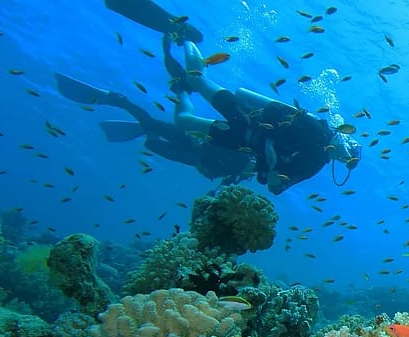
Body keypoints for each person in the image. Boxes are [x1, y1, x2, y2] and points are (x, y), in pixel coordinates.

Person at [104, 0, 362, 195]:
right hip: (247, 118)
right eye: (348, 153)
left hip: (241, 139)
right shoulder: (316, 131)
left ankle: (181, 89)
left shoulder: (315, 163)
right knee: (198, 81)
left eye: (347, 160)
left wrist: (271, 170)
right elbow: (276, 113)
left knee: (184, 119)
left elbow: (276, 185)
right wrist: (270, 160)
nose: (343, 156)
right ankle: (185, 37)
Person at [54, 73, 254, 186]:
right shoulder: (248, 151)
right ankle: (119, 100)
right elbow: (219, 144)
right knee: (150, 122)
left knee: (151, 144)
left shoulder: (241, 171)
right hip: (191, 142)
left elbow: (225, 178)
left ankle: (146, 128)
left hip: (193, 158)